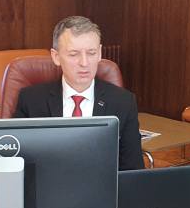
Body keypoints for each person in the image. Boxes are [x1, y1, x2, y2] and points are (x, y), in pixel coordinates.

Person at [13, 16, 144, 170]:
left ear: (99, 53)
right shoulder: (31, 100)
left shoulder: (123, 102)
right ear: (56, 57)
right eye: (74, 54)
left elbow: (133, 169)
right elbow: (16, 162)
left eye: (91, 53)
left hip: (101, 185)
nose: (84, 63)